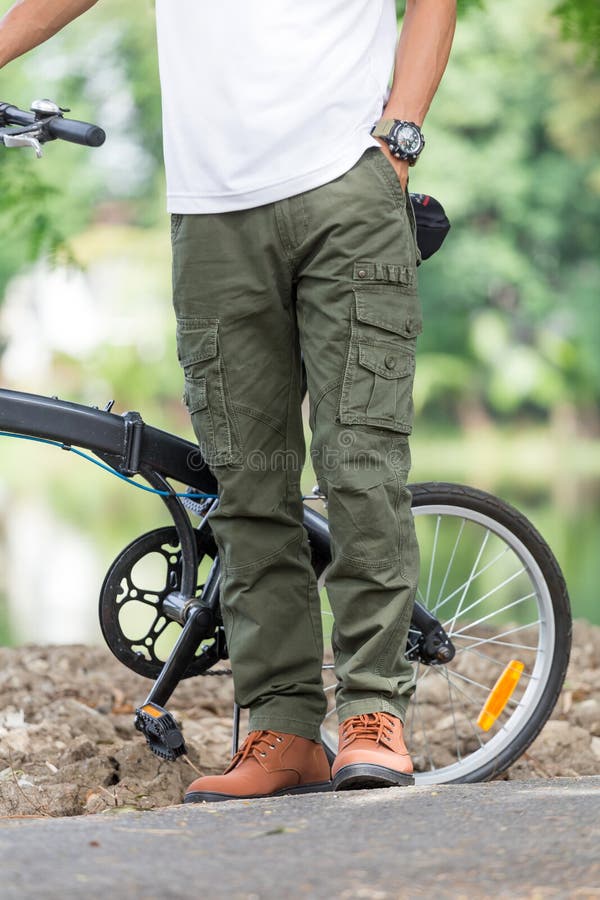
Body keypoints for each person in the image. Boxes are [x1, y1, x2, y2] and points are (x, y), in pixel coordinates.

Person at [0, 0, 457, 802]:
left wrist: (400, 136)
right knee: (245, 489)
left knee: (359, 462)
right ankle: (283, 730)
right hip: (211, 215)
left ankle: (373, 711)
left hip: (346, 187)